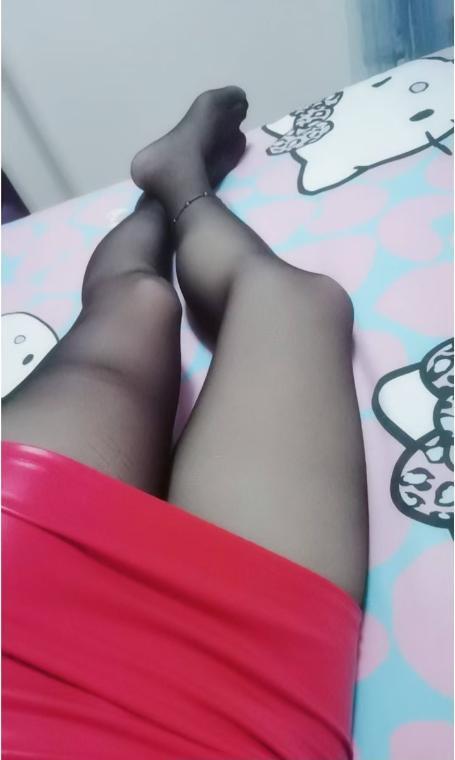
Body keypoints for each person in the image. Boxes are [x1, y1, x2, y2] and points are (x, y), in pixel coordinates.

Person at [2, 86, 368, 759]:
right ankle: (177, 181)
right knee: (299, 304)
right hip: (217, 729)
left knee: (139, 302)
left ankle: (161, 195)